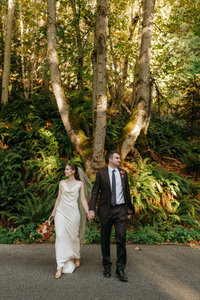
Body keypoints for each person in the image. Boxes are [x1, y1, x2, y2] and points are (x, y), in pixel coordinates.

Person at [88, 151, 134, 282]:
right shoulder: (101, 173)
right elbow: (95, 192)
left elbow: (127, 192)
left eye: (119, 158)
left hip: (120, 210)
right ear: (110, 159)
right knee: (105, 239)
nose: (119, 160)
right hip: (105, 210)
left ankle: (120, 268)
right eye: (116, 158)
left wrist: (129, 210)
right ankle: (106, 266)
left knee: (121, 238)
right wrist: (92, 209)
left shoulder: (123, 173)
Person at [50, 163, 91, 279]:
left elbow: (82, 199)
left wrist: (88, 212)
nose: (65, 171)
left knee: (73, 236)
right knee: (60, 236)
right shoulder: (61, 183)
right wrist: (53, 214)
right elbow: (58, 199)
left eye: (67, 169)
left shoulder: (80, 184)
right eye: (65, 169)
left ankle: (76, 255)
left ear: (73, 171)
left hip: (73, 213)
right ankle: (60, 266)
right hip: (61, 212)